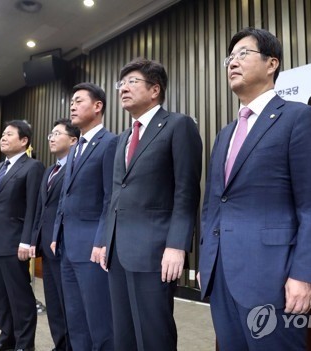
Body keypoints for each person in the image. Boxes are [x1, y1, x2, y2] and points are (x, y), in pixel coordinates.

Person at [198, 28, 311, 350]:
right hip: (222, 276)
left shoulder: (299, 118)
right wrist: (207, 262)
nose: (233, 62)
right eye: (229, 57)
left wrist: (305, 274)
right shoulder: (226, 133)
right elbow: (213, 206)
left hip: (273, 278)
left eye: (243, 54)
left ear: (272, 63)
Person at [99, 58, 202, 351]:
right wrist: (108, 239)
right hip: (118, 250)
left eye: (132, 82)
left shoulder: (178, 125)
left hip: (155, 249)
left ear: (155, 89)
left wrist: (177, 245)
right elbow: (116, 194)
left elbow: (186, 191)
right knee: (124, 332)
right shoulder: (123, 138)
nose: (123, 89)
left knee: (154, 333)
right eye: (121, 84)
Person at [51, 83, 116, 351]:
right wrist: (56, 233)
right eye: (71, 102)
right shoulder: (75, 148)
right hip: (67, 246)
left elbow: (110, 198)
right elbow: (64, 197)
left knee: (99, 320)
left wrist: (101, 241)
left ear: (98, 106)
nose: (72, 106)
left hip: (92, 248)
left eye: (79, 101)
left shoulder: (110, 143)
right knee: (75, 319)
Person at [0, 120, 45, 351]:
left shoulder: (33, 167)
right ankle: (6, 339)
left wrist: (27, 240)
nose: (3, 138)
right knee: (0, 297)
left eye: (9, 134)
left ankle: (24, 346)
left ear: (24, 140)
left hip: (15, 242)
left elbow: (33, 207)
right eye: (2, 134)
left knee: (20, 299)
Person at [29, 119, 79, 351]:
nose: (51, 137)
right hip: (47, 246)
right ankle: (60, 345)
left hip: (66, 244)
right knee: (54, 302)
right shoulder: (50, 170)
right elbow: (42, 208)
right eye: (50, 133)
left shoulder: (76, 167)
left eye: (57, 133)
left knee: (69, 302)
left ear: (73, 140)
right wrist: (35, 239)